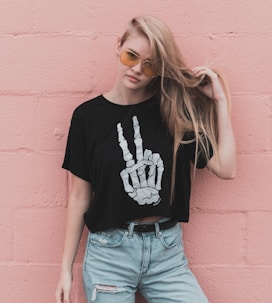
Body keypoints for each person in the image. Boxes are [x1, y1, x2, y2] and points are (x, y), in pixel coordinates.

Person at [55, 15, 236, 303]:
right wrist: (65, 269)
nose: (137, 69)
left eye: (150, 64)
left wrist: (220, 102)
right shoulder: (87, 117)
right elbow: (79, 196)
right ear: (119, 47)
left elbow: (226, 169)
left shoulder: (174, 110)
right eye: (131, 56)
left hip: (167, 256)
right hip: (109, 256)